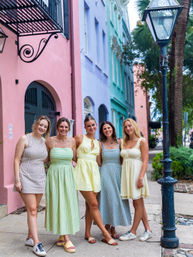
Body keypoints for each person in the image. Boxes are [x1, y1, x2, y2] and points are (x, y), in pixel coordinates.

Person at [74, 114, 117, 246]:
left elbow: (99, 162)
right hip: (82, 174)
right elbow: (73, 155)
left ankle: (87, 233)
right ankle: (105, 233)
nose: (91, 127)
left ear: (96, 126)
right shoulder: (79, 138)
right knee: (94, 204)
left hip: (94, 175)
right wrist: (80, 164)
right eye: (88, 126)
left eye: (93, 125)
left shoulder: (98, 143)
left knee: (89, 206)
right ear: (85, 127)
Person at [14, 115, 51, 257]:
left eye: (45, 126)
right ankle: (36, 243)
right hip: (25, 176)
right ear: (35, 124)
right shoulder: (25, 138)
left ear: (47, 129)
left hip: (40, 177)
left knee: (33, 210)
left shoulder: (44, 142)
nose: (42, 127)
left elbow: (46, 160)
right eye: (40, 124)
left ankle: (30, 237)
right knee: (33, 209)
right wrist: (17, 180)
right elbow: (16, 160)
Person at [45, 117, 80, 253]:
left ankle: (62, 235)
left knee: (67, 203)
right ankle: (66, 238)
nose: (63, 129)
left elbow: (74, 158)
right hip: (54, 175)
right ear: (57, 127)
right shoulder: (49, 141)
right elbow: (46, 159)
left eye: (66, 127)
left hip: (68, 175)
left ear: (69, 129)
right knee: (57, 203)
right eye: (61, 127)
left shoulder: (72, 141)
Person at [119, 118, 152, 242]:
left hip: (137, 174)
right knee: (138, 203)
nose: (128, 128)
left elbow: (145, 160)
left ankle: (133, 232)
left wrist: (140, 177)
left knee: (137, 203)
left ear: (134, 126)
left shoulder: (141, 141)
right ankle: (148, 230)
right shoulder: (123, 142)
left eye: (130, 126)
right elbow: (122, 160)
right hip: (127, 174)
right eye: (126, 127)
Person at [98, 121, 131, 239]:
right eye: (105, 129)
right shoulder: (100, 143)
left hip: (118, 173)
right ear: (102, 131)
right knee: (107, 199)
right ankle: (106, 226)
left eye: (109, 128)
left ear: (112, 129)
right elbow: (99, 161)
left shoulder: (120, 142)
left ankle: (113, 226)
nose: (107, 130)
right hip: (105, 173)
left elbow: (123, 159)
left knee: (117, 200)